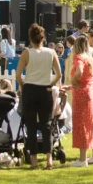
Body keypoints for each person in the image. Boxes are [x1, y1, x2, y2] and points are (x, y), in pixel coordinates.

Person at [14, 23, 63, 170]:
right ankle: (49, 160)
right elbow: (59, 75)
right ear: (43, 38)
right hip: (45, 90)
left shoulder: (26, 53)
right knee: (47, 125)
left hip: (30, 89)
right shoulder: (51, 52)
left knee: (31, 126)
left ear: (30, 38)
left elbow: (17, 75)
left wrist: (23, 86)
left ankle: (34, 161)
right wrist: (50, 84)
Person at [64, 35, 93, 167]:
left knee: (81, 124)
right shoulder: (90, 58)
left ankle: (82, 159)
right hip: (90, 92)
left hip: (81, 95)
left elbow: (79, 71)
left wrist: (73, 80)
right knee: (91, 123)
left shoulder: (78, 58)